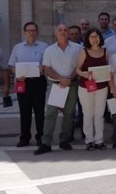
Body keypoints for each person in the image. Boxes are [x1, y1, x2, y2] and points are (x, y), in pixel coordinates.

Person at [35, 24, 82, 155]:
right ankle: (46, 142)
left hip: (72, 84)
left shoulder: (78, 48)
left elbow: (80, 66)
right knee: (50, 113)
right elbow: (47, 68)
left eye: (65, 30)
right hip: (57, 85)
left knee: (70, 114)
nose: (63, 32)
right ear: (55, 33)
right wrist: (61, 79)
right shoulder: (49, 50)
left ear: (68, 33)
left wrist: (69, 79)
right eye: (60, 30)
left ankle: (64, 140)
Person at [8, 21, 48, 147]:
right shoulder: (17, 47)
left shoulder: (44, 46)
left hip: (38, 82)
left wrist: (43, 68)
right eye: (29, 30)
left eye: (33, 30)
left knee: (39, 111)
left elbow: (48, 64)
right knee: (24, 111)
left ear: (37, 32)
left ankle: (40, 137)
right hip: (22, 82)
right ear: (24, 32)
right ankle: (24, 138)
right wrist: (17, 74)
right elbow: (11, 66)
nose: (31, 32)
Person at [76, 28, 110, 150]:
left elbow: (107, 67)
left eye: (96, 36)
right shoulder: (84, 52)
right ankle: (89, 140)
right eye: (91, 37)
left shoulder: (105, 51)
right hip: (86, 87)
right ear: (88, 39)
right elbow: (77, 69)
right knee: (88, 113)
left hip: (102, 87)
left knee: (99, 114)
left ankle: (99, 140)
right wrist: (84, 74)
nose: (94, 39)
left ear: (100, 38)